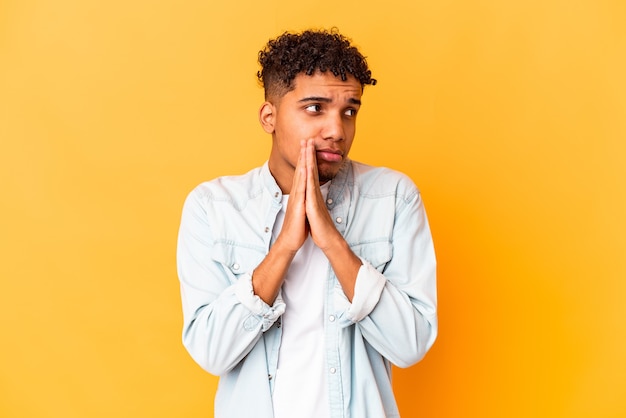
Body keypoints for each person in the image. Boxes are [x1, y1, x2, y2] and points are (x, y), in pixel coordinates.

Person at [177, 28, 438, 418]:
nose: (337, 130)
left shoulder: (393, 197)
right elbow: (212, 353)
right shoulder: (214, 207)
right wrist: (284, 246)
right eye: (315, 108)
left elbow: (410, 344)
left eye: (349, 111)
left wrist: (332, 241)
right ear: (270, 116)